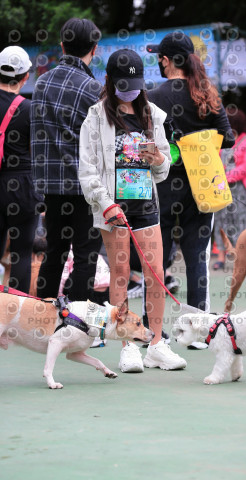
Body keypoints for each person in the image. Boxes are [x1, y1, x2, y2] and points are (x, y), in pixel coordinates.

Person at [79, 48, 187, 372]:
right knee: (122, 275)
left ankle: (156, 344)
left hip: (147, 207)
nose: (129, 92)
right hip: (114, 209)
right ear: (109, 82)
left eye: (134, 85)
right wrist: (106, 203)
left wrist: (158, 160)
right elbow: (87, 171)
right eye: (122, 86)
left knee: (155, 275)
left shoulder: (153, 114)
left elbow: (163, 169)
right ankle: (127, 345)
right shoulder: (95, 117)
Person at [145, 33, 235, 317]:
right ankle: (198, 328)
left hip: (162, 186)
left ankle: (153, 326)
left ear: (167, 61)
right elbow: (228, 138)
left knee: (157, 258)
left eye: (160, 57)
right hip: (202, 184)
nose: (159, 62)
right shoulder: (207, 93)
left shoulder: (153, 96)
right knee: (196, 256)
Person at [31, 18, 103, 301]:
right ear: (94, 49)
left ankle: (46, 320)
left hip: (50, 186)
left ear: (62, 46)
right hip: (85, 188)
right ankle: (77, 323)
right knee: (86, 256)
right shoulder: (94, 90)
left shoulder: (41, 83)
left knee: (54, 253)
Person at [0, 46, 41, 293]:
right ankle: (16, 319)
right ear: (26, 76)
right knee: (22, 254)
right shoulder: (29, 109)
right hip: (23, 187)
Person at [213, 109, 246, 269]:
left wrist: (226, 177)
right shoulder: (222, 142)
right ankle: (221, 256)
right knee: (222, 221)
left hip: (242, 191)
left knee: (245, 223)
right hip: (223, 189)